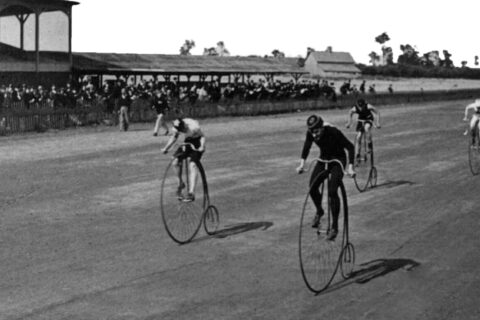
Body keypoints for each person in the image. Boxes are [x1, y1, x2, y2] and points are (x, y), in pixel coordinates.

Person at [296, 115, 355, 241]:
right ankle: (319, 210)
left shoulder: (333, 132)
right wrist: (302, 164)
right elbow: (307, 146)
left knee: (332, 191)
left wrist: (350, 167)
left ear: (322, 127)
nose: (314, 134)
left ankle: (334, 227)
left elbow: (350, 147)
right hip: (324, 158)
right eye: (311, 131)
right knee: (312, 186)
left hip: (338, 159)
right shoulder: (311, 133)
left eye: (316, 131)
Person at [161, 117, 206, 202]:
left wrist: (202, 146)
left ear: (185, 124)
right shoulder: (176, 127)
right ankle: (180, 183)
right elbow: (174, 138)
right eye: (181, 130)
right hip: (187, 142)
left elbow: (202, 136)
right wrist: (166, 148)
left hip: (197, 142)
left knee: (193, 165)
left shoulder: (193, 126)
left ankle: (191, 193)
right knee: (175, 161)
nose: (182, 130)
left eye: (183, 128)